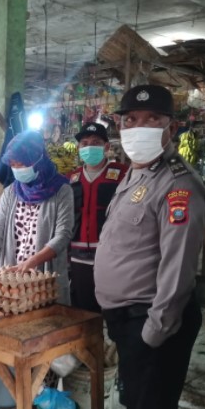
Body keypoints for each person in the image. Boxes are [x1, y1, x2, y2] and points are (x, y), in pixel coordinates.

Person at [93, 85, 205, 409]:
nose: (138, 128)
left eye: (151, 120)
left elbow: (177, 269)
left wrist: (154, 331)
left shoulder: (179, 187)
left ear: (171, 128)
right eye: (130, 121)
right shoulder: (136, 174)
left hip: (154, 321)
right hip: (129, 320)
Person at [0, 130, 73, 303]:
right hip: (13, 285)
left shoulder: (61, 191)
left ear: (38, 160)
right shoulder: (11, 192)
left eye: (21, 164)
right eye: (13, 165)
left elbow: (63, 236)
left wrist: (31, 262)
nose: (17, 169)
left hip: (46, 284)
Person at [68, 122, 128, 312]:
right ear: (79, 148)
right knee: (83, 309)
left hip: (112, 255)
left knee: (112, 308)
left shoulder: (122, 174)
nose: (89, 147)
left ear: (107, 147)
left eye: (95, 142)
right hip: (78, 257)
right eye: (84, 143)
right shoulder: (72, 178)